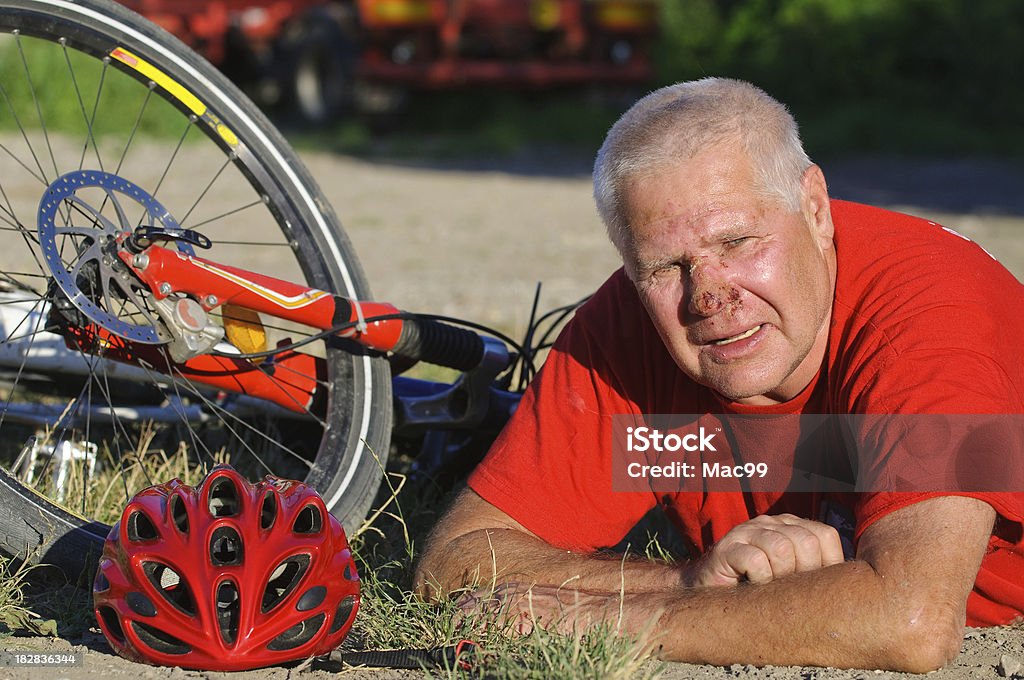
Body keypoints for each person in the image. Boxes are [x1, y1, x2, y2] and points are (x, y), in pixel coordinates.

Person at [412, 78, 1024, 672]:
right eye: (664, 268)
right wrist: (686, 579)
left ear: (814, 209)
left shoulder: (931, 318)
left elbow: (911, 622)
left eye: (736, 242)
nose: (707, 296)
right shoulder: (627, 328)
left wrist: (596, 615)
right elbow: (455, 561)